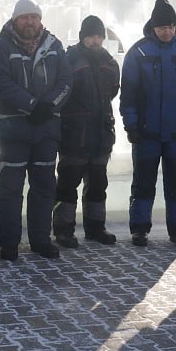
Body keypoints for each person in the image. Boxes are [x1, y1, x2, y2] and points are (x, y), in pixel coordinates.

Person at [0, 0, 71, 261]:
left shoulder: (54, 46)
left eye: (34, 17)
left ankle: (40, 240)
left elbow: (66, 81)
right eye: (24, 17)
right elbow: (0, 83)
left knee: (44, 187)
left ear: (40, 20)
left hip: (46, 130)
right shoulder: (1, 47)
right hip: (13, 131)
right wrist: (32, 105)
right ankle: (9, 244)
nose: (29, 22)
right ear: (15, 20)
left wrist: (48, 106)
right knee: (11, 190)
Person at [120, 0, 176, 249]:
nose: (166, 31)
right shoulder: (139, 53)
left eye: (170, 26)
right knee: (143, 182)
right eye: (161, 27)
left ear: (175, 27)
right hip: (147, 132)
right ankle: (139, 229)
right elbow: (129, 93)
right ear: (153, 27)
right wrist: (132, 124)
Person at [52, 15, 120, 248]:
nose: (95, 40)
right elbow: (61, 91)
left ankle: (95, 227)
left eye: (99, 36)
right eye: (91, 36)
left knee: (98, 184)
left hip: (101, 133)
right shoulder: (70, 59)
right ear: (83, 37)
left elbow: (113, 90)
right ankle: (63, 230)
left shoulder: (109, 62)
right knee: (67, 185)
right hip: (74, 134)